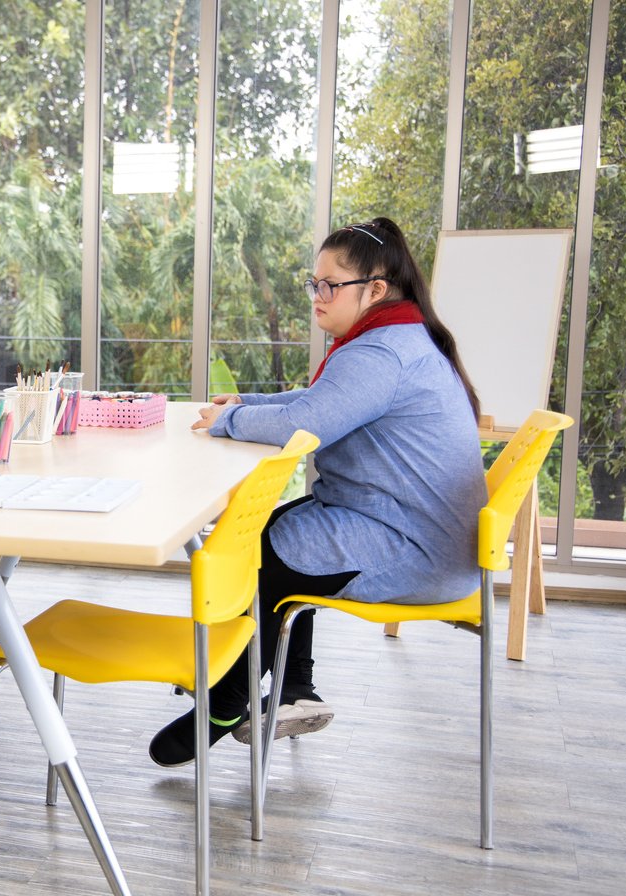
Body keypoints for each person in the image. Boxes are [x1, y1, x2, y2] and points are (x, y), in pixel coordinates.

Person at [149, 217, 487, 767]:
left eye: (330, 285)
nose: (317, 296)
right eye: (315, 284)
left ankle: (227, 700)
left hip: (416, 552)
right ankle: (291, 687)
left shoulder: (380, 354)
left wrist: (229, 422)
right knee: (275, 532)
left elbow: (303, 423)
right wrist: (243, 407)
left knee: (264, 550)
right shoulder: (398, 338)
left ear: (375, 290)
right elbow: (317, 399)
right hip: (419, 534)